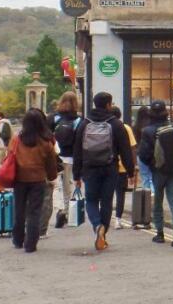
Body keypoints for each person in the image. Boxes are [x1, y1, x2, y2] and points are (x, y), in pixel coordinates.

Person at [72, 92, 134, 252]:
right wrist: (131, 171)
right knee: (106, 201)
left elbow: (77, 151)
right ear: (108, 104)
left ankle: (97, 225)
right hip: (109, 168)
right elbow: (126, 150)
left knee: (91, 200)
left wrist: (76, 175)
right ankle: (103, 234)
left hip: (89, 168)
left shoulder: (84, 124)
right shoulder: (116, 124)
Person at [137, 100, 173, 247]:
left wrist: (152, 165)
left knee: (158, 201)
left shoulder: (147, 131)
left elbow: (144, 154)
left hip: (158, 171)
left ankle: (160, 233)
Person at [8, 108, 58, 253]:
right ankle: (30, 244)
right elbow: (51, 163)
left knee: (19, 209)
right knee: (34, 212)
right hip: (38, 180)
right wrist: (52, 176)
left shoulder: (17, 139)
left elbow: (9, 155)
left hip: (19, 179)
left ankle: (18, 239)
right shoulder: (46, 142)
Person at [50, 91, 82, 229]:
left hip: (55, 158)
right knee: (69, 186)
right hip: (71, 158)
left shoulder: (53, 118)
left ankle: (59, 210)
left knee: (57, 186)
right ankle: (67, 211)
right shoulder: (79, 120)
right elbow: (80, 143)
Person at [111, 108, 137, 230]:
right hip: (122, 167)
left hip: (107, 165)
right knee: (120, 194)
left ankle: (103, 218)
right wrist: (133, 166)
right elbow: (132, 148)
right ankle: (117, 220)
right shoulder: (125, 128)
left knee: (107, 194)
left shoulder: (105, 127)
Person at [132, 106, 153, 191]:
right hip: (151, 153)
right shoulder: (151, 126)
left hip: (140, 153)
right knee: (152, 177)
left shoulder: (135, 126)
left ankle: (146, 199)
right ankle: (153, 196)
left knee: (144, 177)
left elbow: (134, 142)